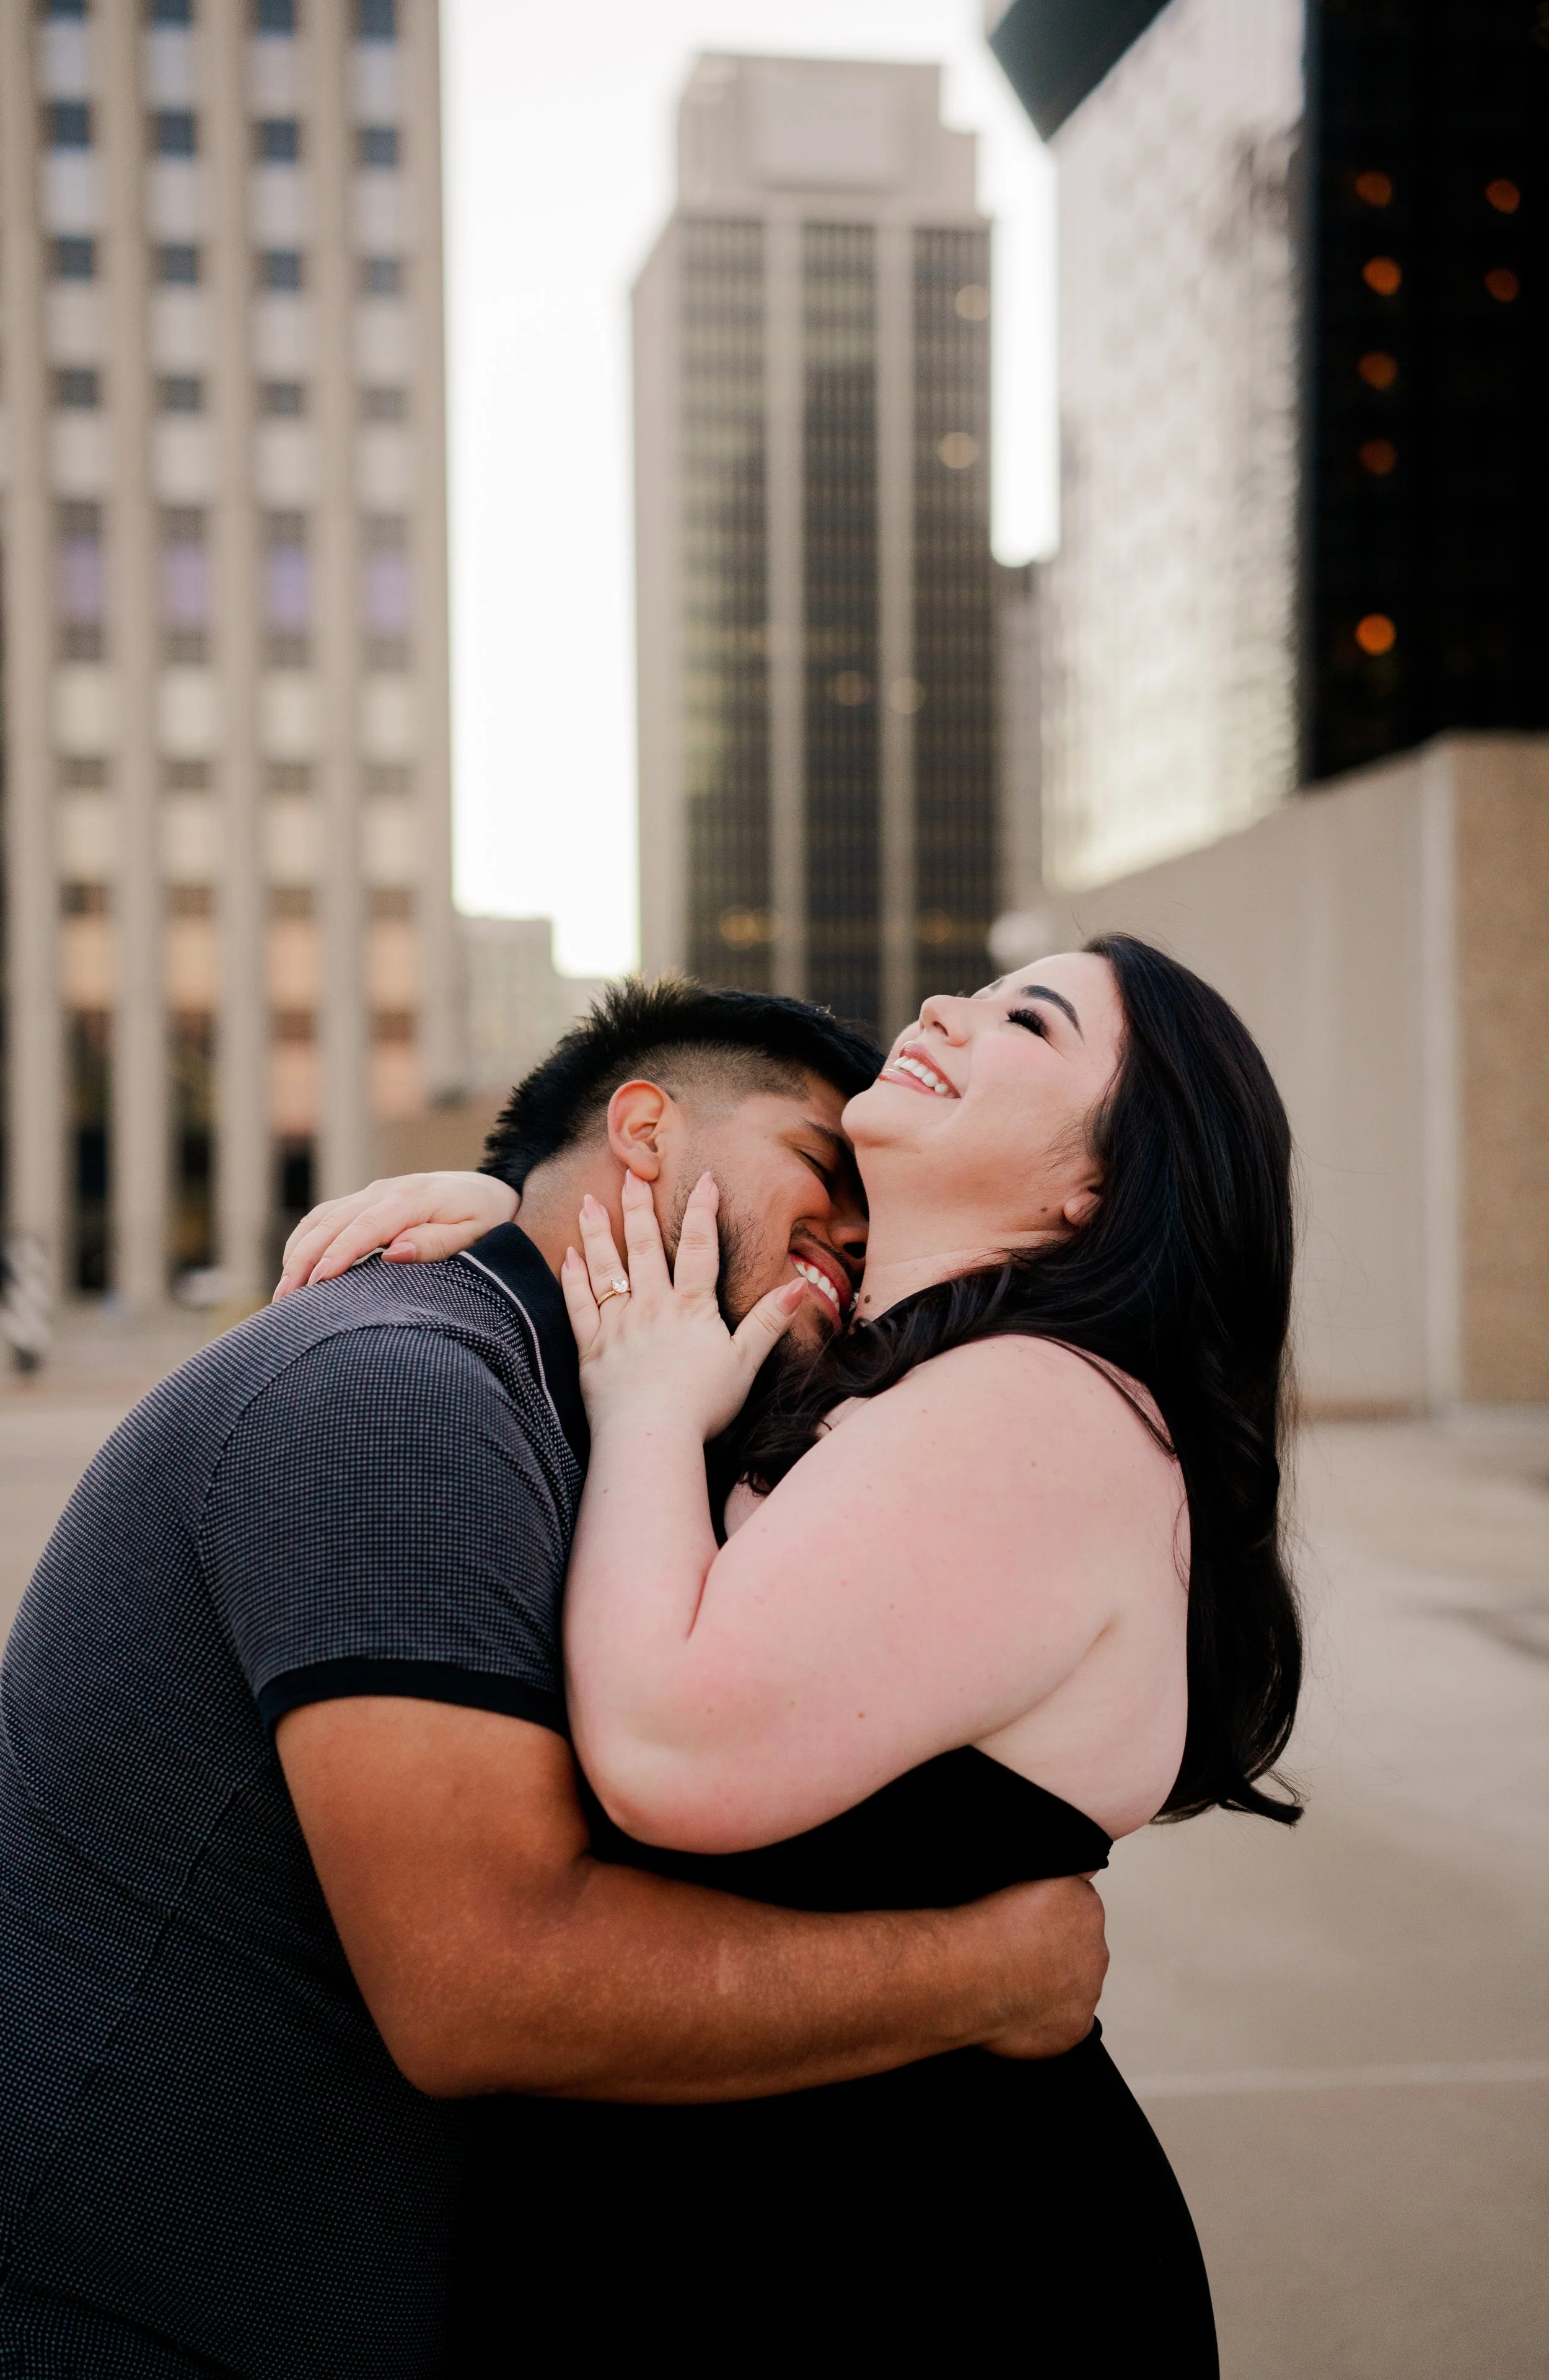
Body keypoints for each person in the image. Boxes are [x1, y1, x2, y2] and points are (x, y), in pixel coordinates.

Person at [0, 984, 1108, 2380]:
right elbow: (485, 1980)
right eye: (822, 1171)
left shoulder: (601, 1426)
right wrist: (987, 1975)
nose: (850, 1235)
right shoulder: (398, 1392)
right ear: (642, 1129)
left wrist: (519, 1221)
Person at [304, 937, 1303, 2374]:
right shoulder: (857, 1387)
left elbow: (667, 1752)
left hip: (914, 2276)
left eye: (1031, 1017)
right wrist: (525, 1218)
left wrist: (646, 1409)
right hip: (765, 2251)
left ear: (1096, 1184)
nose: (946, 1005)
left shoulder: (1033, 1408)